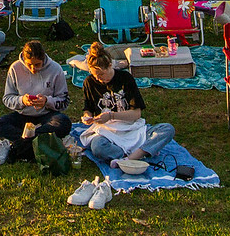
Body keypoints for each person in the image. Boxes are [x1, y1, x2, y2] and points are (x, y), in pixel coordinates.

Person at [69, 41, 178, 170]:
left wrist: (111, 115)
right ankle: (141, 152)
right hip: (107, 132)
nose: (99, 79)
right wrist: (87, 117)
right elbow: (88, 108)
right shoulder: (89, 82)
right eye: (95, 76)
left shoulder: (125, 78)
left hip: (130, 128)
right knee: (98, 147)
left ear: (110, 66)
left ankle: (129, 158)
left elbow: (136, 114)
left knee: (167, 129)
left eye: (101, 75)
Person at [0, 41, 71, 164]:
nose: (33, 69)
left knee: (64, 123)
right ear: (24, 59)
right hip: (22, 116)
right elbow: (7, 98)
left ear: (43, 58)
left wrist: (47, 101)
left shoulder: (55, 69)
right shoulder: (15, 68)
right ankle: (35, 143)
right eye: (30, 65)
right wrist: (22, 100)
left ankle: (19, 145)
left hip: (46, 116)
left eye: (37, 65)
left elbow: (64, 101)